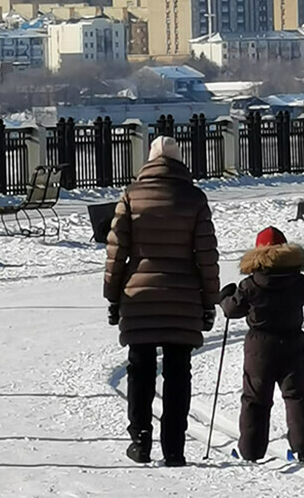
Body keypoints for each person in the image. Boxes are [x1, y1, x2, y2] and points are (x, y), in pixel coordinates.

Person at [104, 136, 220, 467]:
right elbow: (206, 256)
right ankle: (174, 448)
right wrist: (209, 301)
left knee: (140, 369)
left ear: (150, 161)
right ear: (179, 161)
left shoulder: (131, 196)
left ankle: (140, 439)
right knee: (178, 373)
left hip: (138, 297)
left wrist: (113, 297)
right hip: (183, 300)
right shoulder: (194, 199)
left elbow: (116, 253)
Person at [220, 226, 304, 464]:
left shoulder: (250, 284)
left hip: (259, 346)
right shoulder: (298, 282)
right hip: (293, 342)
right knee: (298, 395)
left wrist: (224, 295)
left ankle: (251, 452)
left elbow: (232, 310)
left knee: (255, 399)